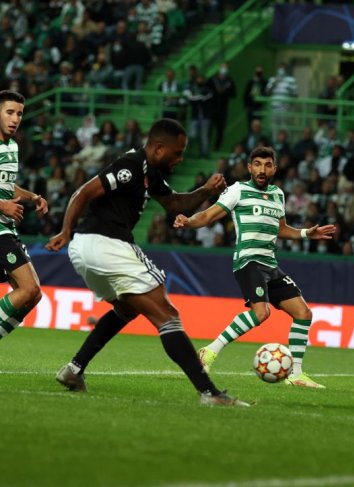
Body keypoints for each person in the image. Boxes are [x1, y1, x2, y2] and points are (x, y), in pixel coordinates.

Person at [45, 118, 248, 407]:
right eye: (177, 153)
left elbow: (175, 205)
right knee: (168, 315)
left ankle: (73, 370)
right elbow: (84, 192)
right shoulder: (131, 166)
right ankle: (210, 393)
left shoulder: (149, 173)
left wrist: (205, 191)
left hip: (86, 249)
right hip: (106, 244)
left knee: (126, 309)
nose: (180, 159)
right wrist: (65, 230)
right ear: (158, 148)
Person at [173, 146, 335, 388]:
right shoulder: (238, 190)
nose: (262, 169)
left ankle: (295, 375)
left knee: (303, 314)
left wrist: (305, 233)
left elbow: (281, 229)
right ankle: (210, 351)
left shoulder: (278, 195)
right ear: (249, 167)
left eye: (267, 165)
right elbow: (207, 216)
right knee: (261, 313)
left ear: (274, 169)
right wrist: (188, 221)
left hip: (270, 264)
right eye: (257, 164)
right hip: (248, 261)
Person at [0, 90, 49, 342]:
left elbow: (8, 186)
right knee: (29, 288)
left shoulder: (12, 146)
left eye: (19, 114)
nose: (15, 119)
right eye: (9, 112)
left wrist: (32, 197)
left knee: (33, 294)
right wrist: (2, 206)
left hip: (7, 228)